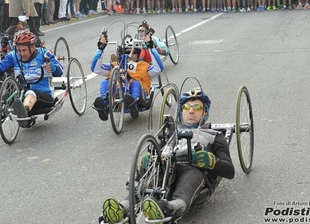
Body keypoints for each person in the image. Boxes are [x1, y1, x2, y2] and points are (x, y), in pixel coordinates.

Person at [98, 89, 235, 224]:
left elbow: (229, 171)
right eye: (187, 107)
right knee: (145, 185)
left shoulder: (214, 135)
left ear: (205, 112)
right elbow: (152, 156)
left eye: (197, 107)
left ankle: (167, 209)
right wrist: (146, 162)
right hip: (167, 167)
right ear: (181, 111)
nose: (191, 111)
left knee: (186, 185)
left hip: (193, 169)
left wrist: (211, 161)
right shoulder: (169, 132)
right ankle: (121, 210)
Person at [0, 30, 63, 128]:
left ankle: (24, 112)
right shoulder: (13, 56)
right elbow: (0, 69)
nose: (21, 54)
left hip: (45, 97)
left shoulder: (44, 54)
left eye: (24, 50)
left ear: (32, 47)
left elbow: (60, 70)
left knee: (31, 92)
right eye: (19, 50)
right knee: (10, 93)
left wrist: (53, 68)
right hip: (21, 96)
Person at [90, 32, 164, 121]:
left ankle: (133, 105)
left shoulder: (144, 66)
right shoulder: (115, 65)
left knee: (135, 82)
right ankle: (104, 107)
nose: (130, 55)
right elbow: (95, 68)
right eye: (128, 52)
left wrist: (151, 47)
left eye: (134, 53)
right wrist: (100, 48)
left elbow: (159, 68)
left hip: (139, 94)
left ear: (138, 54)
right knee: (104, 82)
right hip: (117, 90)